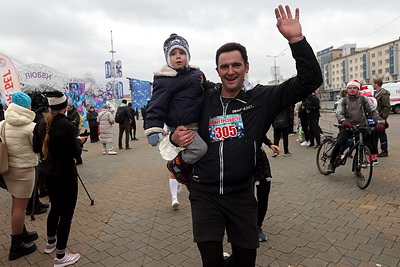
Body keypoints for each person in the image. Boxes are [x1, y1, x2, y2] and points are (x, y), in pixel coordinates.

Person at [171, 5, 323, 266]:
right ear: (217, 70)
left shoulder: (262, 98)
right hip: (204, 193)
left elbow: (310, 81)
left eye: (236, 65)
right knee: (211, 261)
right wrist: (175, 136)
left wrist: (297, 41)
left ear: (246, 66)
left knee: (245, 259)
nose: (230, 71)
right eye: (224, 66)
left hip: (241, 195)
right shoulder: (204, 97)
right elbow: (174, 116)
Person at [144, 33, 211, 184]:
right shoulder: (165, 80)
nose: (178, 57)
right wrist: (153, 128)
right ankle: (176, 165)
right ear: (168, 59)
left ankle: (191, 172)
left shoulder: (197, 74)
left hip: (199, 123)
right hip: (183, 126)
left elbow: (208, 88)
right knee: (200, 150)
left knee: (205, 151)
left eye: (182, 53)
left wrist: (220, 89)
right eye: (173, 54)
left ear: (188, 56)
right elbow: (156, 105)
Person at [33, 90, 86, 266]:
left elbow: (35, 147)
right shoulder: (66, 125)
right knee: (66, 214)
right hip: (65, 174)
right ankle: (61, 256)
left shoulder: (41, 123)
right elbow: (75, 153)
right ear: (65, 106)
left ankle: (51, 243)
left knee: (55, 208)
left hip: (48, 173)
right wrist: (79, 141)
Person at [0, 92, 39, 261]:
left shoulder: (2, 123)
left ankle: (21, 232)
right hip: (24, 170)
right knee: (20, 206)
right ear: (27, 106)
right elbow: (37, 148)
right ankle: (16, 245)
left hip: (8, 169)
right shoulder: (31, 126)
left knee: (16, 203)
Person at [327, 80, 385, 173]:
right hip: (347, 126)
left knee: (360, 148)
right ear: (347, 90)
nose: (352, 90)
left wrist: (378, 121)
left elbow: (372, 111)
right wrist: (343, 120)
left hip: (361, 127)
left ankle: (357, 171)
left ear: (358, 89)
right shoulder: (344, 100)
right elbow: (339, 112)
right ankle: (331, 163)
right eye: (350, 88)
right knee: (339, 143)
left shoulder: (363, 99)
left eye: (354, 88)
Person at [255, 135, 280, 242]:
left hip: (260, 160)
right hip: (242, 159)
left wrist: (270, 144)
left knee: (263, 196)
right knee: (245, 197)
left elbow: (260, 131)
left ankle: (258, 225)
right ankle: (247, 225)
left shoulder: (257, 119)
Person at [372, 78, 391, 157]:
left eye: (373, 83)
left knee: (381, 134)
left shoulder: (383, 94)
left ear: (376, 84)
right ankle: (375, 150)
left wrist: (383, 118)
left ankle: (384, 151)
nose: (372, 85)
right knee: (375, 134)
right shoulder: (376, 93)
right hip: (376, 117)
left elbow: (387, 107)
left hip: (381, 118)